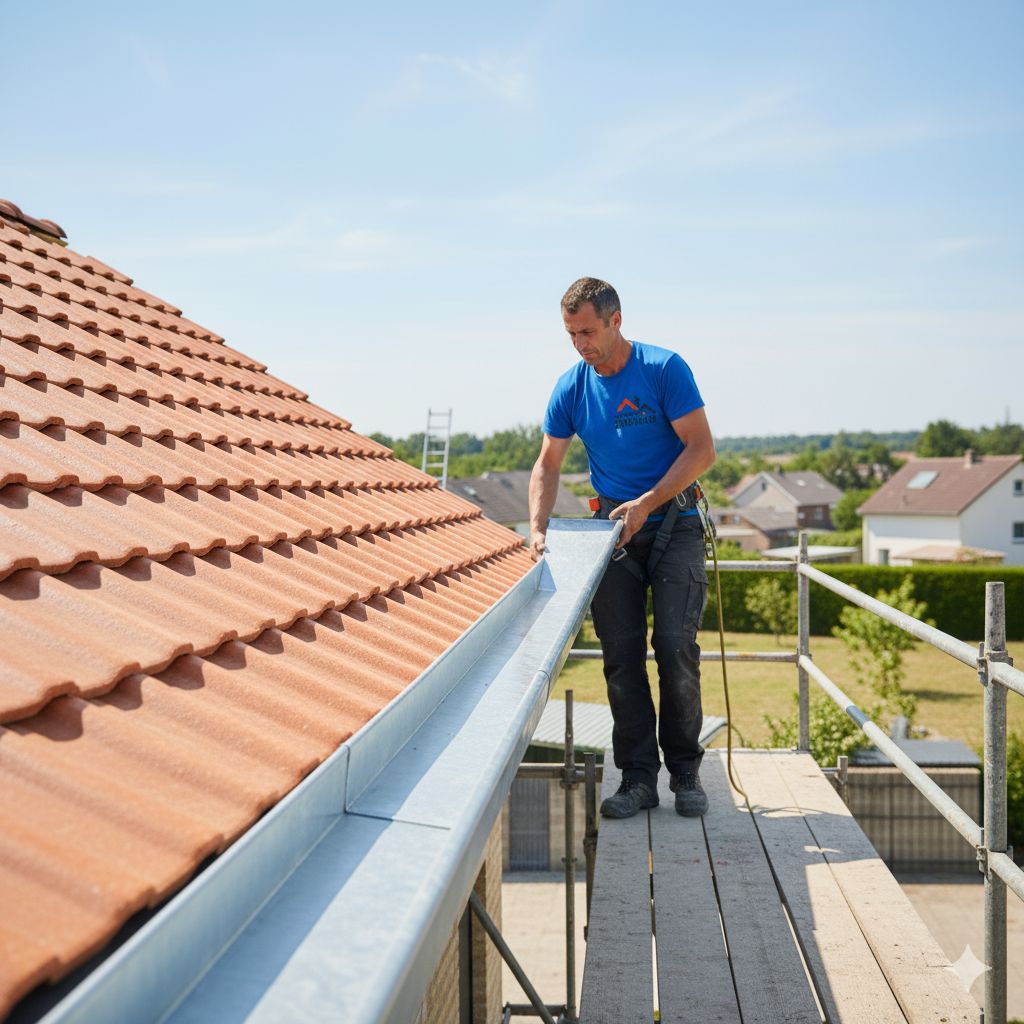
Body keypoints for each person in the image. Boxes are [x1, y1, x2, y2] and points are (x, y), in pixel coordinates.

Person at [528, 277, 716, 819]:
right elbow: (548, 464)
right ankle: (637, 778)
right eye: (570, 333)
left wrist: (648, 502)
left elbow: (702, 450)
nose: (580, 343)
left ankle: (685, 772)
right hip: (613, 531)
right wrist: (537, 528)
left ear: (615, 320)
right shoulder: (571, 387)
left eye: (587, 330)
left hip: (675, 520)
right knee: (621, 657)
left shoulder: (663, 369)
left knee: (676, 646)